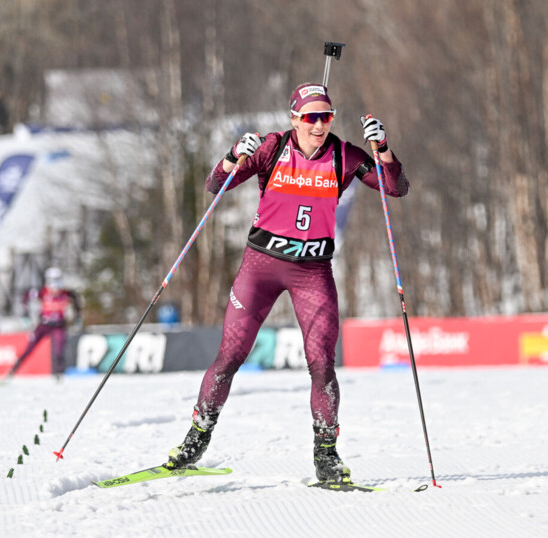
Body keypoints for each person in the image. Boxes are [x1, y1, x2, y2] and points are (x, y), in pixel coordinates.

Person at [164, 82, 409, 483]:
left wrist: (383, 148)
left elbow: (394, 188)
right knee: (230, 356)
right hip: (260, 267)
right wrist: (232, 156)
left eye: (326, 117)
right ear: (293, 117)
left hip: (312, 271)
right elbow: (214, 185)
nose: (318, 125)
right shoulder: (271, 148)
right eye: (310, 117)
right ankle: (197, 437)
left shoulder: (345, 156)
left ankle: (326, 455)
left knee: (321, 365)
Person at [2, 267, 81, 380]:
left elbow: (76, 302)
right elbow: (25, 297)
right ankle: (12, 371)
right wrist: (26, 315)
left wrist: (77, 316)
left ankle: (58, 374)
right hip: (44, 325)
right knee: (29, 349)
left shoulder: (66, 293)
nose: (55, 288)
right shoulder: (42, 292)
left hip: (59, 325)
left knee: (59, 350)